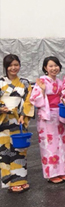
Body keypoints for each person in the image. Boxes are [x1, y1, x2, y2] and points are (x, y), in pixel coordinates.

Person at [30, 56, 65, 184]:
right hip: (47, 115)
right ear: (45, 68)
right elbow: (34, 99)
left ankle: (61, 171)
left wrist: (64, 100)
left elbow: (63, 95)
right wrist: (41, 89)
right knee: (49, 144)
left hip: (58, 113)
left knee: (60, 143)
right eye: (50, 66)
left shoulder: (59, 81)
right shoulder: (42, 81)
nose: (54, 68)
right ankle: (51, 173)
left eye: (56, 65)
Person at [0, 54, 34, 193]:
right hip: (3, 120)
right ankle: (9, 181)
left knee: (19, 150)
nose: (14, 68)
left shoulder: (25, 83)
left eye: (16, 65)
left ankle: (20, 180)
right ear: (6, 67)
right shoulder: (1, 82)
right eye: (11, 65)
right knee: (4, 150)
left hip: (18, 120)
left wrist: (24, 115)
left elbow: (28, 101)